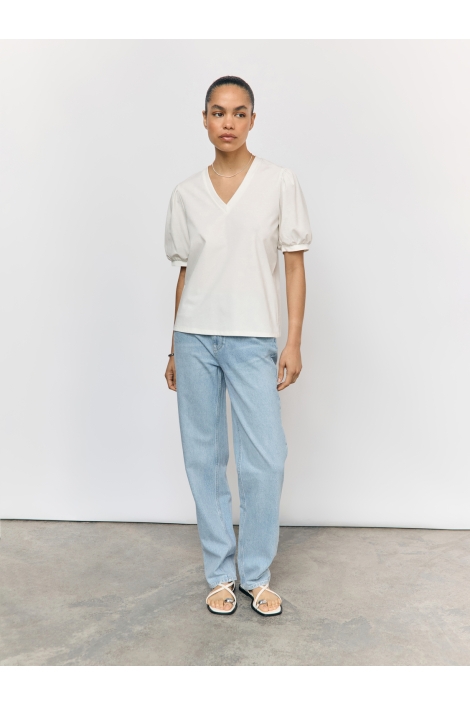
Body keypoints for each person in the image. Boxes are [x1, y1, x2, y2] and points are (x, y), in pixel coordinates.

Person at [164, 76, 312, 617]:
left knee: (266, 458)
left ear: (252, 119)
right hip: (195, 338)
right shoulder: (185, 193)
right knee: (203, 457)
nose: (228, 122)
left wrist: (292, 341)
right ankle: (220, 575)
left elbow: (293, 267)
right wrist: (173, 347)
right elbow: (185, 274)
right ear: (204, 119)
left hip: (254, 338)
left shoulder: (278, 182)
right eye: (218, 112)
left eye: (239, 112)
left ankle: (256, 574)